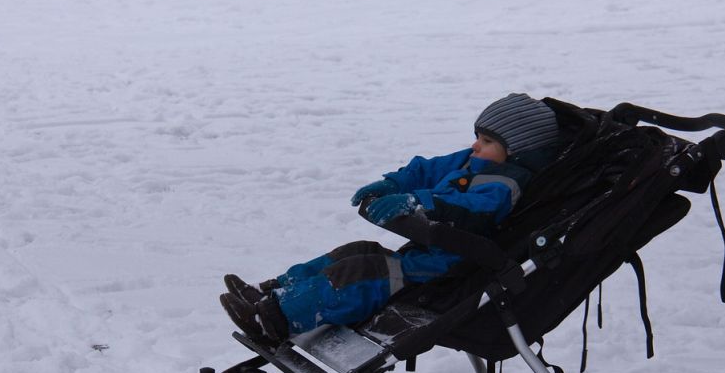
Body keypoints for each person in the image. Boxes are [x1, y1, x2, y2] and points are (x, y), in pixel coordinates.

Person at [220, 93, 562, 342]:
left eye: (486, 140)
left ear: (516, 149)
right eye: (477, 137)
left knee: (362, 273)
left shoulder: (505, 184)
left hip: (445, 271)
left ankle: (279, 317)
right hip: (423, 253)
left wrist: (419, 202)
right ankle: (271, 291)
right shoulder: (473, 160)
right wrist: (394, 183)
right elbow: (427, 168)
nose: (475, 146)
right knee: (357, 249)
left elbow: (471, 212)